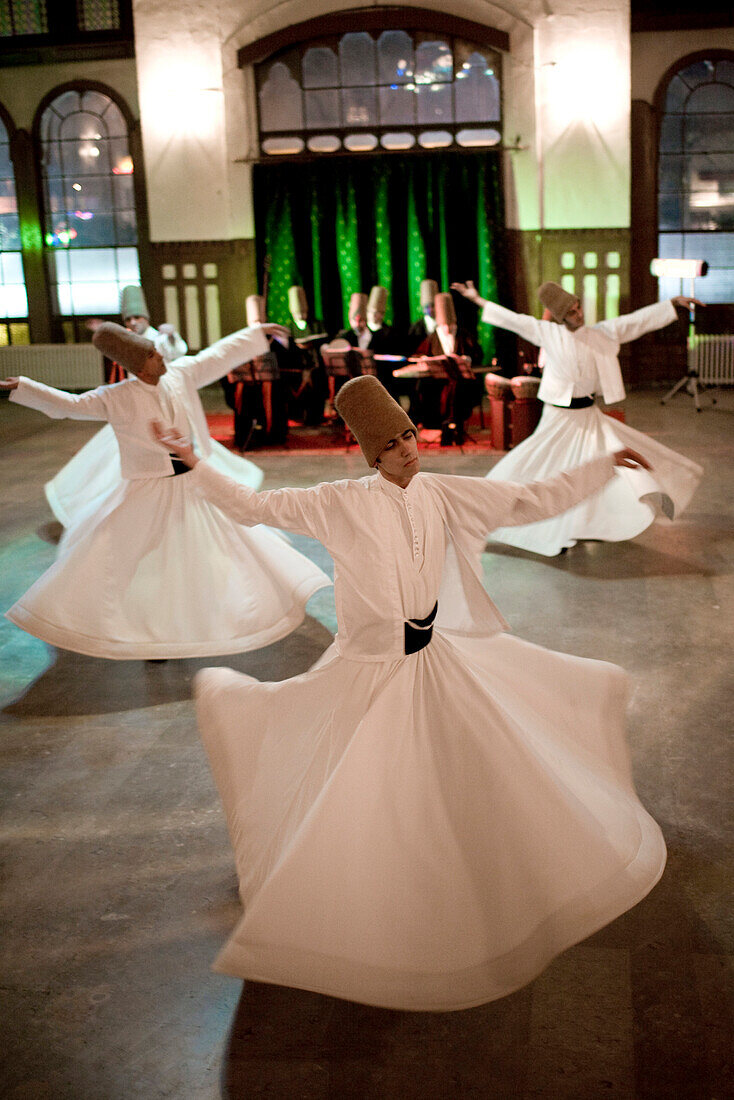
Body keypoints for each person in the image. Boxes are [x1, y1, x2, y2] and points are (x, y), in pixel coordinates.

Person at [153, 375, 666, 1012]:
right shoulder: (336, 501)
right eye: (391, 443)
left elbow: (528, 499)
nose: (407, 448)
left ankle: (450, 870)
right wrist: (194, 463)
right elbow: (251, 506)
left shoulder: (441, 493)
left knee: (462, 763)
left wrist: (601, 466)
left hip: (431, 660)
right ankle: (357, 887)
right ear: (369, 451)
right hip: (368, 667)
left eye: (407, 434)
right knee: (360, 782)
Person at [2, 321, 330, 660]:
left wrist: (257, 333)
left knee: (219, 550)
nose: (162, 356)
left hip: (192, 483)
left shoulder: (180, 374)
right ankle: (152, 635)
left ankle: (216, 613)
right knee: (148, 564)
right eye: (154, 355)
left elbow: (218, 356)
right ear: (139, 366)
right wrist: (24, 388)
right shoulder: (117, 396)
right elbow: (70, 405)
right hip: (149, 490)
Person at [451, 280, 704, 556]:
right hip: (559, 418)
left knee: (603, 466)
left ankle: (585, 523)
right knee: (537, 464)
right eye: (571, 311)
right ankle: (482, 510)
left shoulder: (601, 334)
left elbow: (635, 322)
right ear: (560, 316)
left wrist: (672, 304)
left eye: (578, 307)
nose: (579, 314)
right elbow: (513, 320)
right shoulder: (547, 332)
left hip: (588, 417)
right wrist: (476, 299)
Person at [44, 301, 265, 530]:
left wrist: (169, 338)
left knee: (184, 463)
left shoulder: (159, 343)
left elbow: (199, 355)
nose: (133, 323)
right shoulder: (125, 366)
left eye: (137, 318)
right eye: (129, 319)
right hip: (141, 408)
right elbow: (74, 403)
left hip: (168, 399)